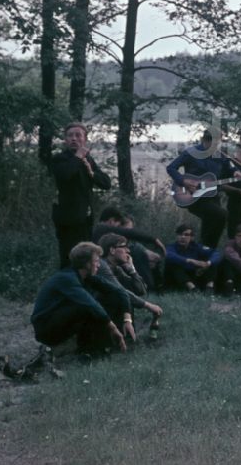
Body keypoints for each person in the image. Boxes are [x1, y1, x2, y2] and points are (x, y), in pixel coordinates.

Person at [30, 242, 129, 357]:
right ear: (86, 263)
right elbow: (90, 304)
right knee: (88, 306)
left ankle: (103, 346)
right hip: (46, 328)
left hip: (62, 319)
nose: (99, 265)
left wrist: (127, 319)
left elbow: (119, 291)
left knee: (110, 298)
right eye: (96, 261)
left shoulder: (87, 277)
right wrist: (113, 328)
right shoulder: (67, 278)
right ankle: (88, 350)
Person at [50, 122, 111, 267]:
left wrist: (92, 173)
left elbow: (106, 184)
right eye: (70, 135)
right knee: (68, 256)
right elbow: (65, 175)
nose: (74, 139)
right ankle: (65, 285)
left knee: (85, 255)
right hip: (67, 217)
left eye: (78, 135)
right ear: (65, 140)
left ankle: (83, 284)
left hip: (85, 217)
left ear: (85, 139)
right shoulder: (60, 159)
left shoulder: (87, 159)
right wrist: (78, 157)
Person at [166, 129, 241, 248]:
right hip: (194, 197)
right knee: (222, 215)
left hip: (213, 196)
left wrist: (236, 171)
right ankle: (207, 249)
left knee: (210, 224)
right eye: (211, 144)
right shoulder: (190, 153)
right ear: (204, 141)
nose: (214, 147)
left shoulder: (219, 154)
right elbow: (171, 168)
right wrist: (183, 181)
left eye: (217, 143)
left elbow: (229, 165)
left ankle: (205, 252)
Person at [97, 233, 164, 333]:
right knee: (120, 297)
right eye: (124, 247)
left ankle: (126, 334)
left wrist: (132, 270)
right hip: (95, 316)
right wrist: (149, 306)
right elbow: (121, 291)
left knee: (127, 295)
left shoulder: (117, 269)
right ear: (112, 250)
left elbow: (140, 291)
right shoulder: (101, 266)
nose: (128, 251)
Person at [91, 207, 165, 291]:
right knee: (137, 250)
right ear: (111, 221)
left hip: (106, 263)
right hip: (103, 263)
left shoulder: (100, 229)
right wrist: (153, 239)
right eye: (118, 226)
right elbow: (128, 233)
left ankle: (153, 286)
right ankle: (148, 287)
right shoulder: (102, 228)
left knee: (139, 251)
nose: (118, 228)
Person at [164, 224, 222, 291]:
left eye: (186, 235)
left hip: (193, 274)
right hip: (178, 279)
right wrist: (190, 261)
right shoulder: (172, 247)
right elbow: (168, 255)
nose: (182, 237)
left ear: (191, 237)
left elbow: (215, 253)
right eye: (180, 234)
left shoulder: (196, 247)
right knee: (173, 263)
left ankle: (209, 288)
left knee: (212, 262)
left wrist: (208, 263)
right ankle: (192, 288)